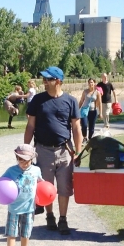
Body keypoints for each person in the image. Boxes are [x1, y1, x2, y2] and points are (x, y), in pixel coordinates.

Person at [25, 66, 82, 235]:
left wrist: (78, 152)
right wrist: (26, 149)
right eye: (44, 79)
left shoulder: (70, 101)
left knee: (65, 186)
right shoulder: (37, 100)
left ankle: (63, 219)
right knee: (46, 186)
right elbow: (30, 126)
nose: (44, 82)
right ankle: (49, 215)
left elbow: (76, 128)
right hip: (43, 150)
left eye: (48, 79)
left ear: (58, 81)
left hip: (64, 150)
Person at [0, 144, 43, 246]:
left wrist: (46, 193)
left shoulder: (36, 170)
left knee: (26, 232)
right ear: (16, 158)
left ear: (32, 159)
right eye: (20, 160)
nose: (23, 163)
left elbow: (41, 184)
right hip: (14, 208)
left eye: (26, 160)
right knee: (11, 233)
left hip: (29, 208)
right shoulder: (11, 171)